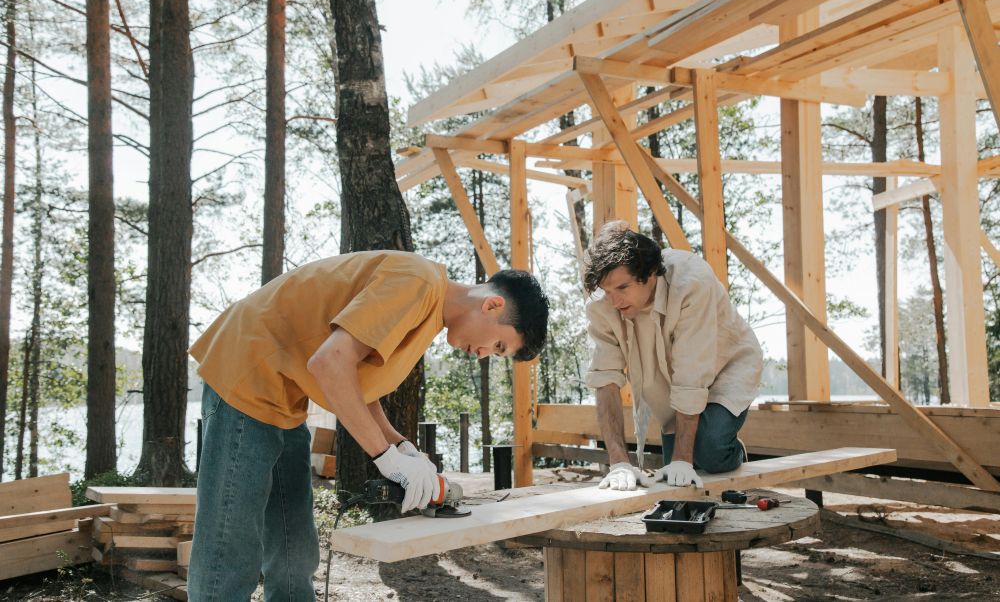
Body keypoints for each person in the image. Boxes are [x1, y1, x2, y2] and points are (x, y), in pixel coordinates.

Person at [186, 250, 549, 601]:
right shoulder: (416, 284)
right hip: (246, 376)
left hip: (284, 397)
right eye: (498, 345)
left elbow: (355, 382)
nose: (484, 354)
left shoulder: (427, 308)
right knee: (228, 548)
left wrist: (404, 449)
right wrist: (386, 458)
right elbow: (329, 362)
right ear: (492, 305)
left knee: (293, 548)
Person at [583, 222, 762, 492]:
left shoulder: (692, 282)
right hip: (669, 382)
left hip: (726, 366)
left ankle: (732, 451)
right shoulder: (602, 305)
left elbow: (691, 374)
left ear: (651, 273)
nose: (614, 301)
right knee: (674, 490)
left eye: (623, 288)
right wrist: (619, 463)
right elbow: (605, 381)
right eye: (607, 291)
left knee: (709, 448)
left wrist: (682, 459)